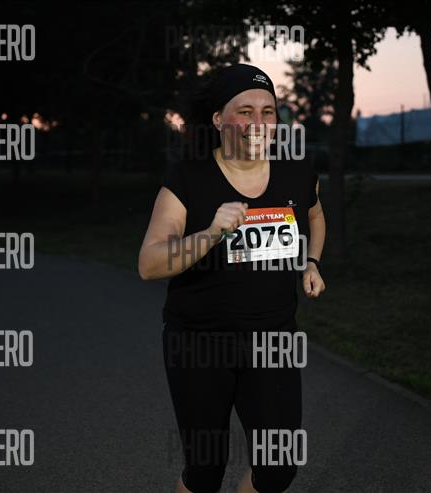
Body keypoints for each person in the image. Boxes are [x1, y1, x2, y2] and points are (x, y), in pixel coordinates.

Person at [139, 64, 326, 493]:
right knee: (205, 472)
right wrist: (210, 234)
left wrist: (312, 262)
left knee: (277, 469)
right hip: (199, 343)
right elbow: (149, 264)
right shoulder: (189, 177)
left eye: (268, 111)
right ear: (219, 119)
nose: (259, 122)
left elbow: (315, 217)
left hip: (274, 338)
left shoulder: (297, 171)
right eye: (245, 111)